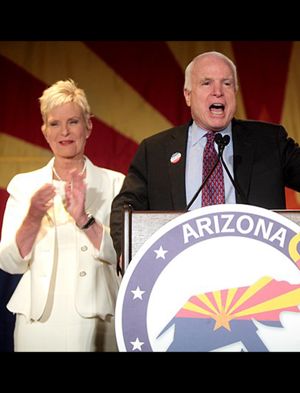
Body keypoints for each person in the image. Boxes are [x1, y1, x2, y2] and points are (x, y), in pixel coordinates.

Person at [110, 51, 300, 268]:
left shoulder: (269, 142)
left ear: (235, 91)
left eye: (226, 83)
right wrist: (127, 250)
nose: (218, 92)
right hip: (181, 272)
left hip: (257, 272)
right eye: (206, 83)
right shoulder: (155, 151)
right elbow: (125, 206)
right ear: (188, 95)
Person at [0, 79, 125, 351]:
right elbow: (9, 262)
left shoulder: (116, 184)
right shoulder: (24, 186)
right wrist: (32, 219)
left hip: (99, 317)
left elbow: (124, 255)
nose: (64, 132)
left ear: (89, 126)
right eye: (55, 123)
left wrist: (84, 219)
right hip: (38, 323)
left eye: (73, 122)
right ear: (44, 131)